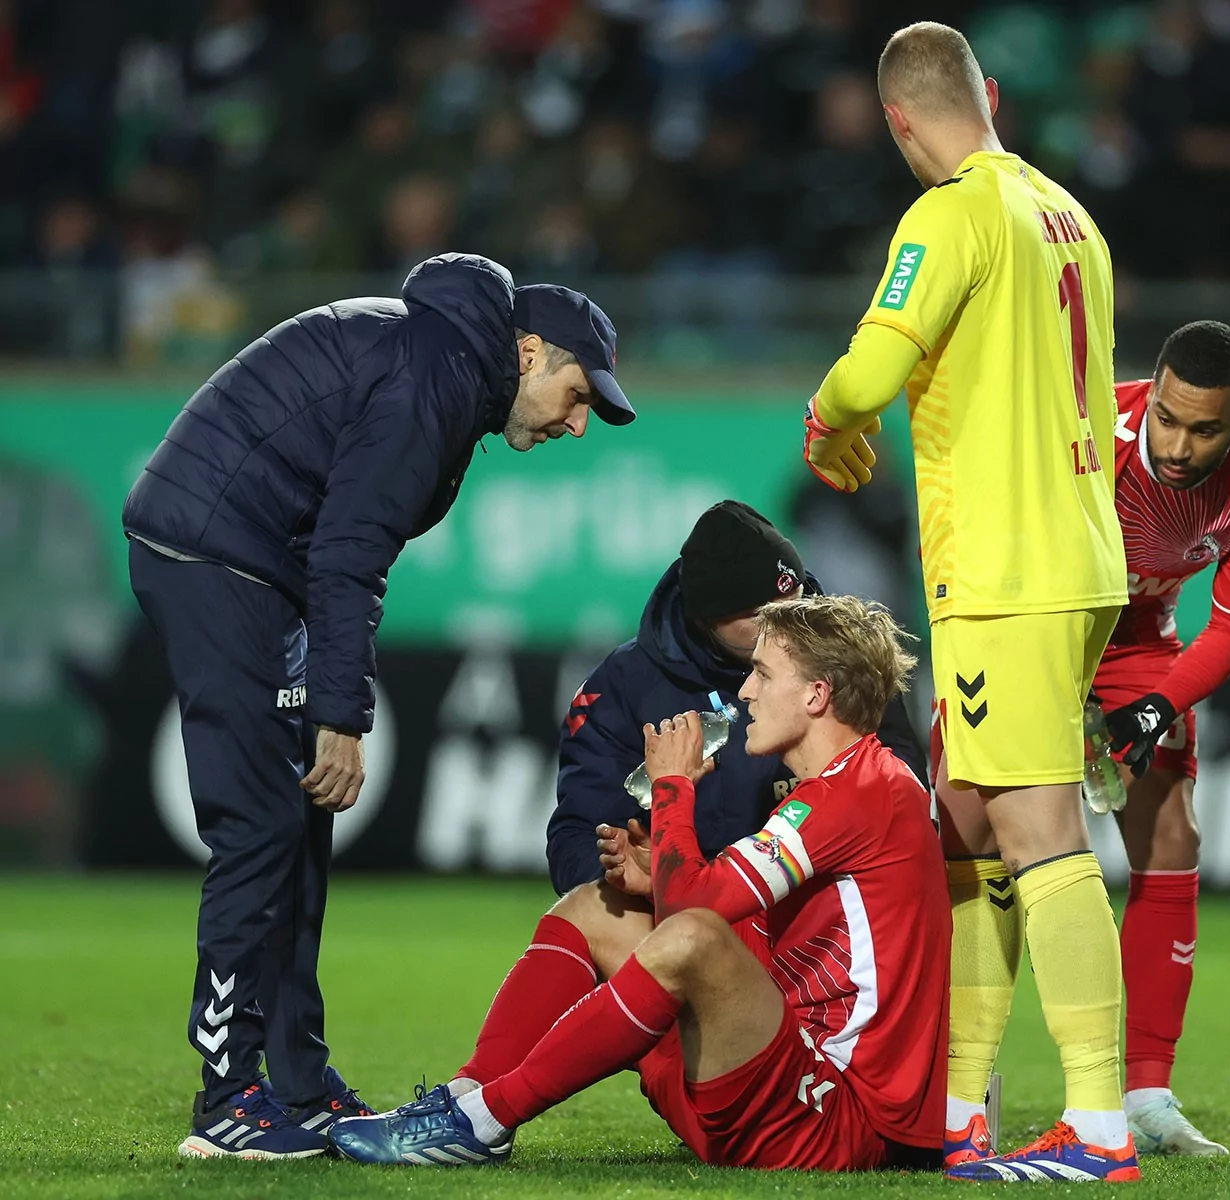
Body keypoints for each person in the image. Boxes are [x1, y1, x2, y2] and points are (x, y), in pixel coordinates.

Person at [122, 252, 633, 1160]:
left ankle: (296, 1082)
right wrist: (341, 715)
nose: (580, 421)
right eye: (579, 391)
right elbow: (350, 554)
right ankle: (227, 1099)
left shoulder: (442, 364)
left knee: (296, 829)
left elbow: (340, 543)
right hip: (215, 555)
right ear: (527, 352)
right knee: (259, 830)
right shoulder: (434, 378)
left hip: (242, 558)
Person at [800, 21, 1135, 1182]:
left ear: (900, 122)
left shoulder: (946, 214)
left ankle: (1096, 1124)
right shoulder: (1068, 216)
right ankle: (958, 1106)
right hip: (1077, 559)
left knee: (1039, 830)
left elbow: (868, 371)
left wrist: (833, 417)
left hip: (1009, 572)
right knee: (966, 820)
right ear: (986, 94)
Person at [329, 595, 950, 1171]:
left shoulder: (861, 789)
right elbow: (775, 935)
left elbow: (694, 920)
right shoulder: (852, 784)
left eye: (762, 674)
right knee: (599, 907)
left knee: (690, 939)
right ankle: (465, 1104)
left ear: (817, 694)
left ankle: (486, 1119)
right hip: (777, 1075)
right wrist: (658, 877)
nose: (745, 690)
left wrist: (672, 787)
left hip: (836, 1117)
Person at [461, 498, 926, 1086]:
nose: (785, 618)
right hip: (704, 939)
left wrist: (688, 860)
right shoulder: (624, 690)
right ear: (708, 615)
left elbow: (904, 815)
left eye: (796, 597)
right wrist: (634, 866)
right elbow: (578, 835)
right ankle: (470, 1097)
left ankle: (954, 1100)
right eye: (762, 612)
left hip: (818, 952)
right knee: (593, 906)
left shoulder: (840, 662)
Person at [1093, 321, 1230, 1155]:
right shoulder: (1086, 430)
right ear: (1150, 391)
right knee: (972, 832)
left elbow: (1227, 631)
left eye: (1204, 428)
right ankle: (955, 1078)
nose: (1177, 446)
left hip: (1140, 638)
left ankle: (1146, 1096)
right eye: (1167, 419)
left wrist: (1153, 710)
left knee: (1174, 831)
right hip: (1035, 625)